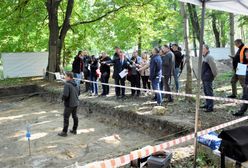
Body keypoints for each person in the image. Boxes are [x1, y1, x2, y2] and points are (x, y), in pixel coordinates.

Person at [58, 72, 79, 137]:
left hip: (69, 104)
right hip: (76, 102)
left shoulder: (67, 84)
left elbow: (65, 95)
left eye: (65, 76)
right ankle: (74, 130)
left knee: (66, 117)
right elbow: (79, 93)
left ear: (69, 77)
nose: (64, 77)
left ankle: (64, 132)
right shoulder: (76, 83)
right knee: (74, 116)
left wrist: (62, 99)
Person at [200, 45, 218, 112]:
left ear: (207, 49)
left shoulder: (209, 57)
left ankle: (210, 107)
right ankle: (207, 104)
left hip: (208, 78)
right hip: (204, 78)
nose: (202, 50)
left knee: (209, 92)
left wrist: (214, 75)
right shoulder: (205, 57)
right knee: (206, 92)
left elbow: (214, 68)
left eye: (203, 49)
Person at [233, 49, 248, 116]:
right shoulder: (243, 61)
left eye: (247, 55)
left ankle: (241, 112)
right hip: (246, 83)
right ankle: (241, 112)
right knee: (246, 99)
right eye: (245, 55)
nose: (246, 56)